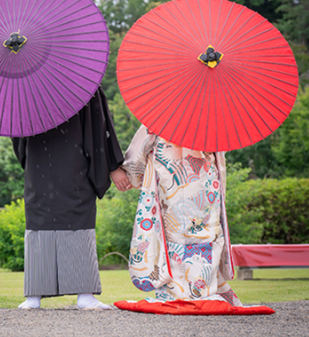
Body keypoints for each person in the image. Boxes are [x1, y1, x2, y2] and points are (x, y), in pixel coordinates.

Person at [12, 87, 127, 310]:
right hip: (73, 164)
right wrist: (111, 165)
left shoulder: (26, 88)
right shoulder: (83, 85)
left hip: (42, 166)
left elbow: (18, 139)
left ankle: (41, 295)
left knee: (51, 222)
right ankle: (79, 294)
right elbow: (99, 130)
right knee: (62, 221)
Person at [114, 125, 242, 306]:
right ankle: (205, 290)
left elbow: (138, 153)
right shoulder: (211, 119)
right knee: (205, 234)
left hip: (172, 182)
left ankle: (176, 291)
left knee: (173, 236)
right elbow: (219, 160)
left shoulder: (160, 117)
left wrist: (133, 177)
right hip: (205, 184)